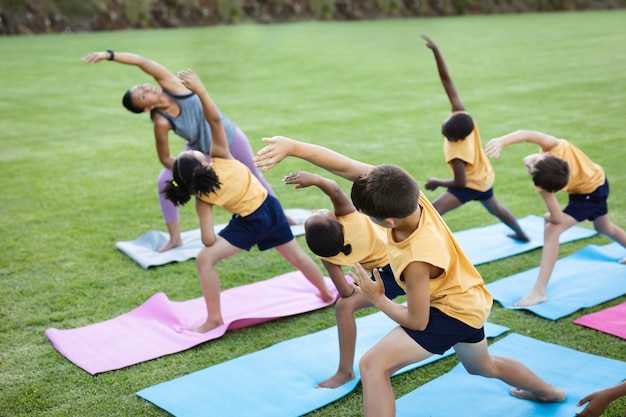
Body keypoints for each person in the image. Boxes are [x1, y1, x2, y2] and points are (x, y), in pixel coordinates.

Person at [254, 136, 566, 416]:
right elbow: (346, 166)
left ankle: (547, 391)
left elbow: (418, 321)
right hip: (466, 296)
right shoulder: (408, 197)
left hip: (451, 311)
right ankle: (550, 392)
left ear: (387, 221)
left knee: (373, 365)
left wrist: (377, 298)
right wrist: (294, 148)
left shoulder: (418, 259)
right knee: (483, 367)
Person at [161, 70, 334, 333]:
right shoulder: (221, 155)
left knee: (205, 259)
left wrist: (228, 237)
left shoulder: (201, 199)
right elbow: (215, 120)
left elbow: (208, 240)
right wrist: (200, 89)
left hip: (249, 222)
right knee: (297, 257)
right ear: (204, 162)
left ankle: (214, 318)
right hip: (270, 209)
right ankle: (325, 292)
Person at [80, 50, 293, 253]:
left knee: (254, 175)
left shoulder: (170, 84)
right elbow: (164, 158)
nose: (148, 90)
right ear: (146, 108)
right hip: (199, 150)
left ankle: (281, 217)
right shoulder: (161, 122)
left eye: (142, 87)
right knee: (163, 180)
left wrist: (108, 55)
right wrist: (187, 170)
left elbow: (141, 61)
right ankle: (175, 238)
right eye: (143, 97)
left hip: (226, 137)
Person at [282, 171, 405, 388]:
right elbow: (334, 189)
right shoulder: (350, 217)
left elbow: (346, 293)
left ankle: (345, 371)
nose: (317, 209)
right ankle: (344, 372)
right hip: (404, 266)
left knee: (344, 307)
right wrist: (315, 179)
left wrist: (351, 277)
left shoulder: (329, 256)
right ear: (337, 223)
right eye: (320, 213)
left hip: (391, 275)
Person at [485, 130, 626, 306]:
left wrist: (549, 216)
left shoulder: (546, 177)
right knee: (603, 228)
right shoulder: (553, 149)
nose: (527, 162)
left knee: (552, 230)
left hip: (590, 193)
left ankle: (539, 291)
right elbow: (527, 134)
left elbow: (557, 219)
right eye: (532, 166)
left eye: (532, 165)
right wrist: (501, 141)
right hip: (597, 180)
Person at [420, 35, 529, 242]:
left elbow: (459, 183)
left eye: (446, 133)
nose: (443, 130)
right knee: (495, 208)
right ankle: (522, 235)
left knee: (433, 211)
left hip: (469, 184)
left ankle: (434, 250)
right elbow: (447, 81)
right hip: (484, 177)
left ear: (456, 138)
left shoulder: (457, 153)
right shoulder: (462, 116)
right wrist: (436, 50)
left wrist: (437, 182)